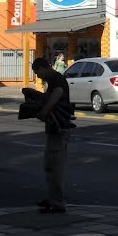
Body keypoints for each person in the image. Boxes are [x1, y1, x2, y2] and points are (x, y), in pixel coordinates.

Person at [31, 58, 74, 214]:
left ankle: (57, 202)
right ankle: (51, 198)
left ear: (44, 68)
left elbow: (58, 92)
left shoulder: (56, 79)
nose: (39, 76)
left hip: (59, 128)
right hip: (54, 128)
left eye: (38, 72)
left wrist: (44, 111)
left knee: (55, 167)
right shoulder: (54, 79)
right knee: (50, 166)